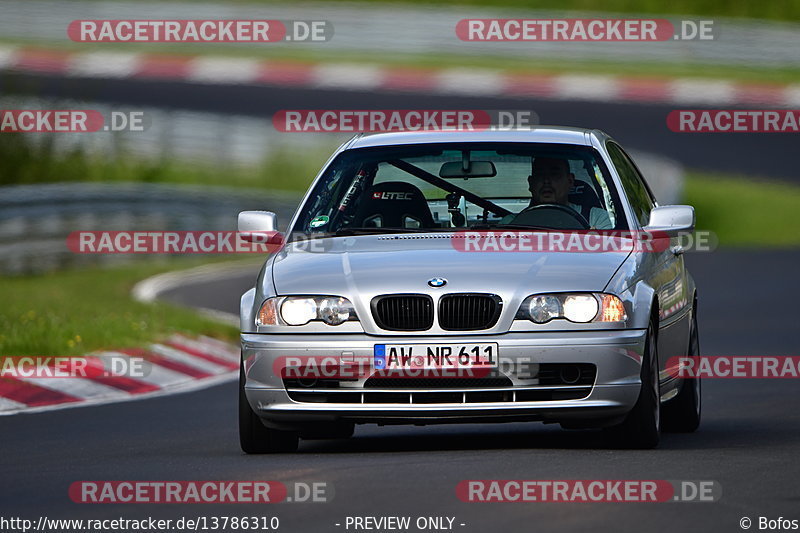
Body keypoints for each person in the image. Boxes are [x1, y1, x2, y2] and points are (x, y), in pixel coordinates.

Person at [505, 156, 613, 229]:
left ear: (570, 181)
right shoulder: (509, 224)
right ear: (531, 183)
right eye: (540, 174)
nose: (546, 181)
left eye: (554, 174)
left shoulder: (597, 218)